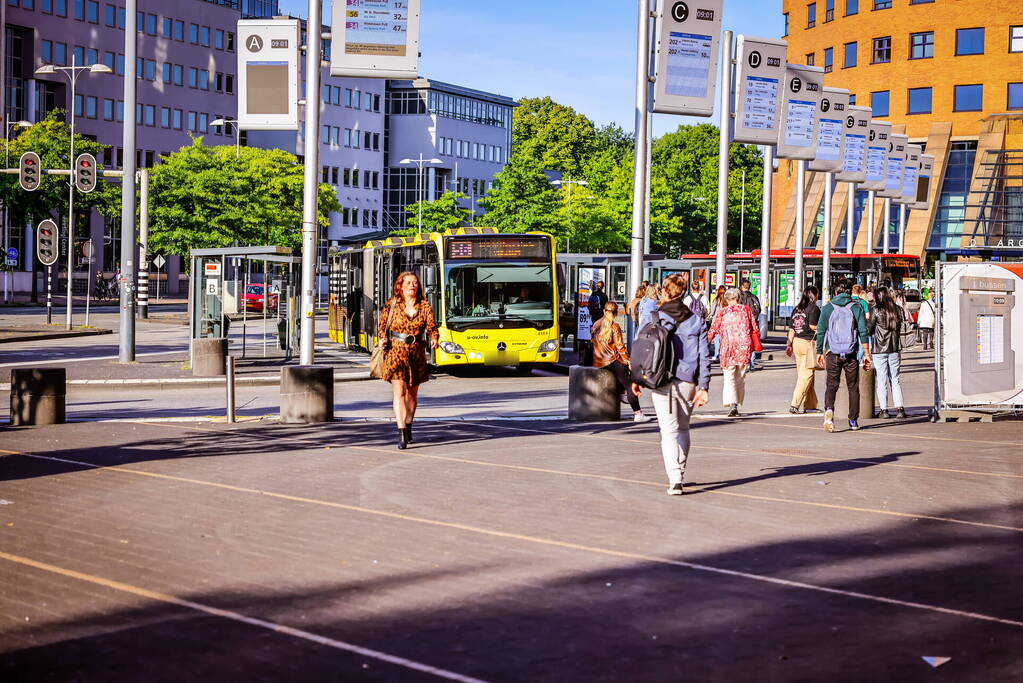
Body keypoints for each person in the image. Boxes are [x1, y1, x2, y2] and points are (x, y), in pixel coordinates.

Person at [630, 273, 711, 495]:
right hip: (688, 381)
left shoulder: (654, 317)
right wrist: (704, 386)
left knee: (668, 431)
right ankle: (680, 471)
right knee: (683, 428)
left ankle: (674, 478)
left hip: (660, 380)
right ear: (684, 292)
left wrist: (636, 379)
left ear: (664, 291)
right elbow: (705, 356)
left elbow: (641, 349)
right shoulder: (696, 320)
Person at [377, 272, 439, 449]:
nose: (413, 285)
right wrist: (382, 339)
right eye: (409, 283)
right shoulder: (392, 304)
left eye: (415, 283)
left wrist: (434, 337)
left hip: (416, 352)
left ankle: (409, 424)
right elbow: (382, 326)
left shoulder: (424, 305)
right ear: (401, 286)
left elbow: (432, 326)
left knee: (412, 395)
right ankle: (402, 432)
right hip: (396, 351)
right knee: (400, 393)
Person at [816, 279, 872, 432]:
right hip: (851, 353)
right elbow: (863, 331)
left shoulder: (827, 308)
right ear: (849, 292)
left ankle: (829, 410)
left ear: (835, 292)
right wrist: (867, 353)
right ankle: (853, 420)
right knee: (853, 387)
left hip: (832, 352)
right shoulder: (857, 307)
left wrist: (819, 352)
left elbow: (821, 331)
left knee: (831, 385)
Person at [592, 301, 651, 423]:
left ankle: (622, 393)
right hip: (612, 360)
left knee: (621, 379)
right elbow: (620, 347)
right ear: (616, 313)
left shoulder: (596, 324)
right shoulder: (615, 326)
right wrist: (628, 361)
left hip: (599, 361)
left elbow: (592, 341)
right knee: (630, 385)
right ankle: (638, 413)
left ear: (604, 311)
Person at [707, 287, 760, 417]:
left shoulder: (723, 312)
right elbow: (755, 327)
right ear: (738, 298)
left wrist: (705, 341)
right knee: (740, 377)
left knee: (729, 376)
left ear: (727, 299)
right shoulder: (746, 310)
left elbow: (713, 328)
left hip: (728, 347)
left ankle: (731, 403)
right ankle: (737, 403)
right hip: (743, 346)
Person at [869, 287, 907, 419]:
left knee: (881, 380)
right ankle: (900, 409)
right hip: (894, 348)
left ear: (877, 296)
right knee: (895, 379)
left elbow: (870, 328)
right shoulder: (897, 309)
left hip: (879, 349)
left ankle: (884, 410)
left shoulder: (876, 310)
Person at [786, 285, 821, 414]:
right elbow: (813, 326)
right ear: (813, 295)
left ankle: (810, 405)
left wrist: (788, 344)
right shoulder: (814, 308)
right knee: (806, 375)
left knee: (805, 375)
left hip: (796, 342)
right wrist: (823, 329)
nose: (818, 297)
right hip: (808, 343)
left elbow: (791, 329)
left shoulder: (797, 309)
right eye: (817, 295)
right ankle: (794, 404)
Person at [738, 279, 763, 370]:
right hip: (752, 323)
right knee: (751, 342)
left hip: (741, 324)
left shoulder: (739, 297)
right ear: (749, 287)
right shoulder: (754, 297)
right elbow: (759, 309)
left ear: (741, 286)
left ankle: (743, 363)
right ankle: (751, 364)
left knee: (741, 343)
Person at [708, 285, 727, 361]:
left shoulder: (716, 300)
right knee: (723, 339)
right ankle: (722, 355)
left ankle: (716, 354)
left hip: (716, 321)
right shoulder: (726, 300)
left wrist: (708, 317)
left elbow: (712, 312)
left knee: (716, 339)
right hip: (724, 321)